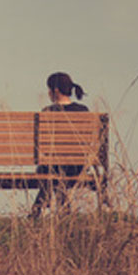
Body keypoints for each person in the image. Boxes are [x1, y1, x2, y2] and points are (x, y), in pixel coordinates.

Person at [31, 72, 89, 218]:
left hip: (53, 166)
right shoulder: (84, 111)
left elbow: (42, 146)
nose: (48, 93)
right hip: (78, 167)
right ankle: (64, 213)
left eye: (49, 89)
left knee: (49, 172)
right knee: (55, 174)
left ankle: (36, 211)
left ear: (55, 91)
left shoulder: (48, 112)